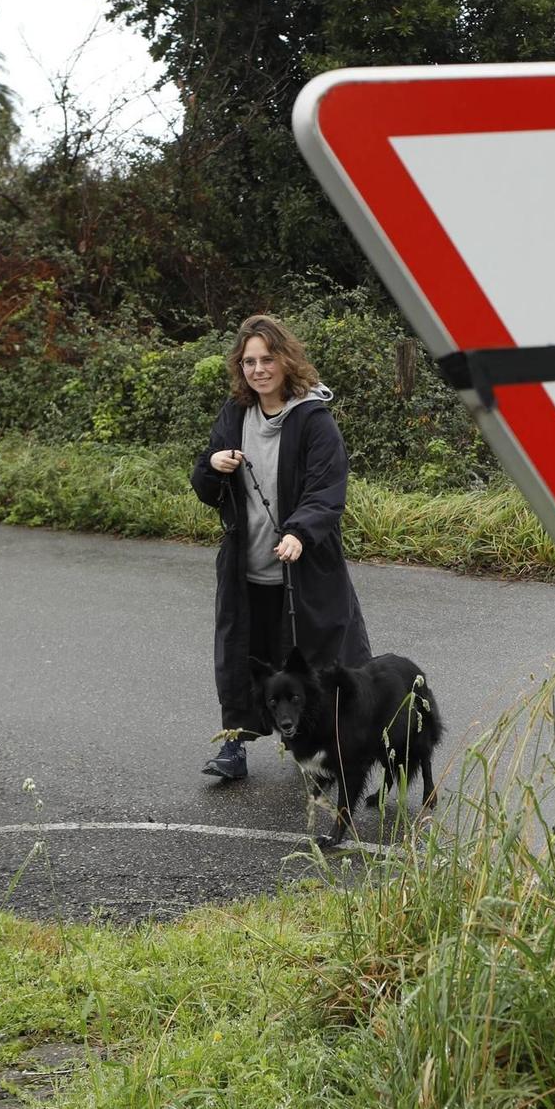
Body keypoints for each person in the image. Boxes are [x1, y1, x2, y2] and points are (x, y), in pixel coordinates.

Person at [190, 314, 371, 780]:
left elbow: (327, 491)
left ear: (286, 361)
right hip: (245, 568)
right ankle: (234, 747)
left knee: (316, 659)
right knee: (242, 658)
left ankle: (320, 749)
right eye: (249, 361)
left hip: (305, 566)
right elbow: (206, 487)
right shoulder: (235, 414)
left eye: (267, 358)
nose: (258, 369)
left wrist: (298, 531)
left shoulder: (314, 420)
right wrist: (212, 464)